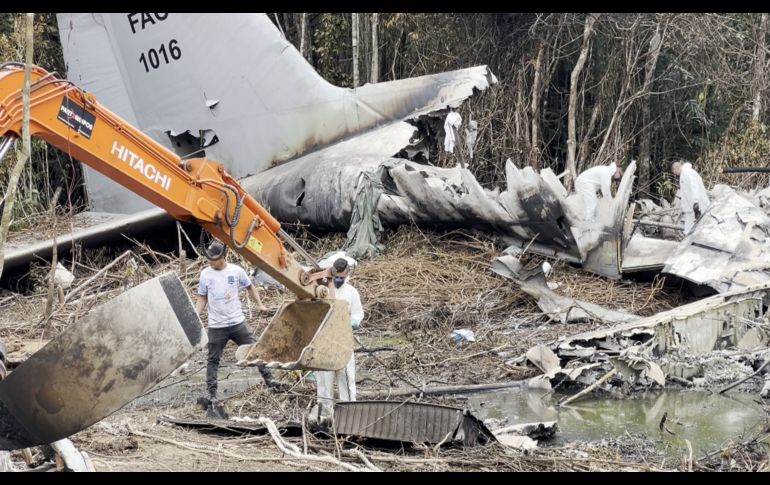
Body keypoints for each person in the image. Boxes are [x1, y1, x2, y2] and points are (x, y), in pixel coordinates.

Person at [195, 240, 279, 401]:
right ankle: (212, 394)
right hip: (216, 326)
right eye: (208, 257)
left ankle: (271, 381)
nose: (209, 261)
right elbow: (202, 297)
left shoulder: (236, 271)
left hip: (237, 323)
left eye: (212, 258)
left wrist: (260, 304)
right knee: (213, 360)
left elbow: (250, 287)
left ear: (222, 257)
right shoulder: (205, 274)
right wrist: (196, 314)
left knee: (255, 350)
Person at [316, 257, 364, 417]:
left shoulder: (351, 292)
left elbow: (357, 313)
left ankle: (349, 413)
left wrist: (353, 322)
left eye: (341, 278)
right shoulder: (323, 290)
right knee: (324, 382)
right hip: (325, 342)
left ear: (347, 275)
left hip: (343, 341)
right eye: (336, 277)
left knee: (346, 378)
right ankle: (325, 415)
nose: (338, 280)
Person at [671, 161, 710, 233]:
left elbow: (694, 185)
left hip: (697, 204)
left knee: (700, 225)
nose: (674, 173)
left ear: (675, 168)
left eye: (674, 171)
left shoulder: (687, 172)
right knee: (690, 227)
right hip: (691, 206)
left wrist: (695, 201)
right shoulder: (684, 174)